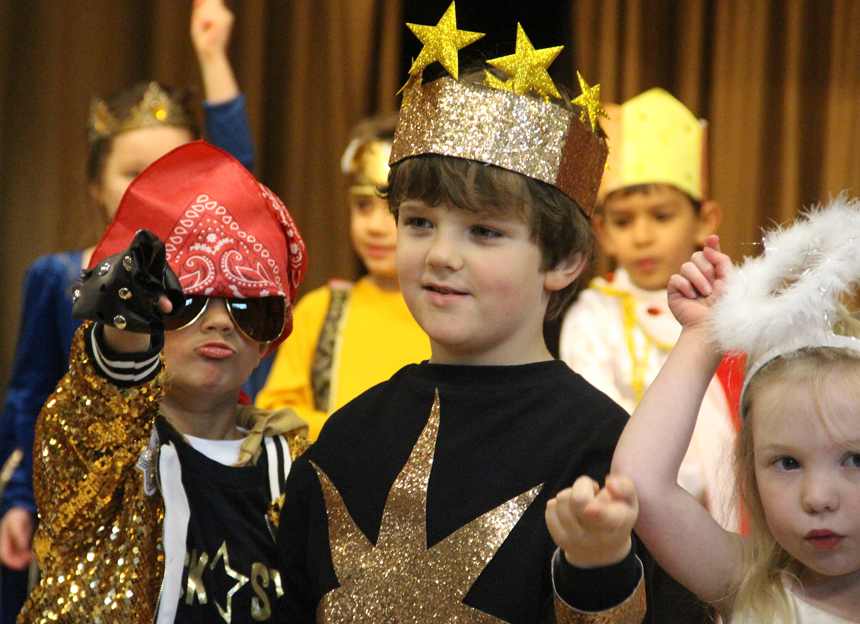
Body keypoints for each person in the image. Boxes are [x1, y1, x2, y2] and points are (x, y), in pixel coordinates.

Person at [274, 7, 646, 622]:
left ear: (565, 261)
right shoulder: (346, 440)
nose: (441, 255)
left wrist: (599, 572)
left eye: (483, 231)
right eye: (419, 222)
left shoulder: (604, 452)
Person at [0, 1, 254, 619]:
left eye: (171, 170)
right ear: (96, 184)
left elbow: (240, 177)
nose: (152, 187)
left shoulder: (214, 282)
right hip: (90, 494)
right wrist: (19, 497)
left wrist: (214, 59)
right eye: (132, 172)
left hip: (198, 482)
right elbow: (30, 396)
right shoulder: (58, 276)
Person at [18, 141, 310, 624]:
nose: (219, 322)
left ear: (271, 338)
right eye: (188, 300)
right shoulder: (102, 455)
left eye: (250, 308)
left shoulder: (298, 470)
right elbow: (97, 403)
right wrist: (124, 332)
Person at [612, 196, 860, 623]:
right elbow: (641, 485)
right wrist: (705, 333)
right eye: (787, 463)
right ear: (749, 466)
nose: (817, 498)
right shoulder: (748, 580)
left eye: (855, 459)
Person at [558, 88, 738, 532]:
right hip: (635, 511)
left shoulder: (734, 307)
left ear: (705, 220)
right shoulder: (592, 316)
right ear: (600, 229)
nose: (641, 236)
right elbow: (595, 423)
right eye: (623, 220)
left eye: (661, 216)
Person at [255, 115, 431, 440]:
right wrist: (365, 433)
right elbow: (274, 415)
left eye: (394, 211)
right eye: (363, 206)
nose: (375, 227)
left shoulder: (448, 312)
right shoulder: (319, 310)